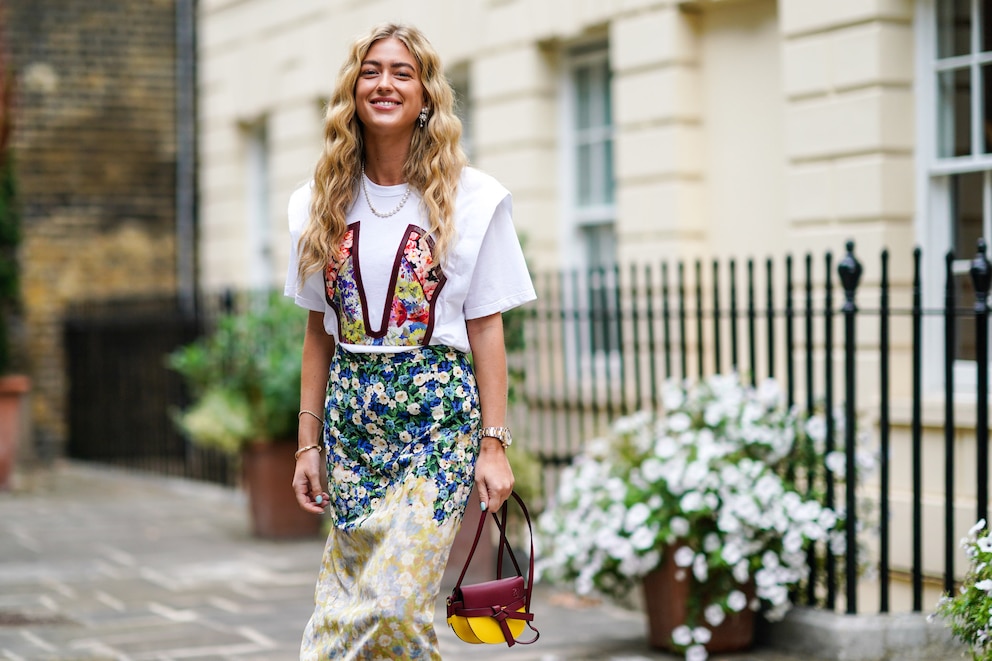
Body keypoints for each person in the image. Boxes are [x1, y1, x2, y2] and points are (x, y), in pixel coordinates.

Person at [283, 22, 536, 660]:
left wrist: (494, 444)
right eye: (372, 71)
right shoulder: (315, 203)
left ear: (426, 95)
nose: (385, 83)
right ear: (352, 91)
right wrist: (306, 443)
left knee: (394, 603)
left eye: (403, 72)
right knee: (347, 606)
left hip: (437, 423)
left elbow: (486, 327)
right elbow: (319, 330)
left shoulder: (473, 198)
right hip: (352, 425)